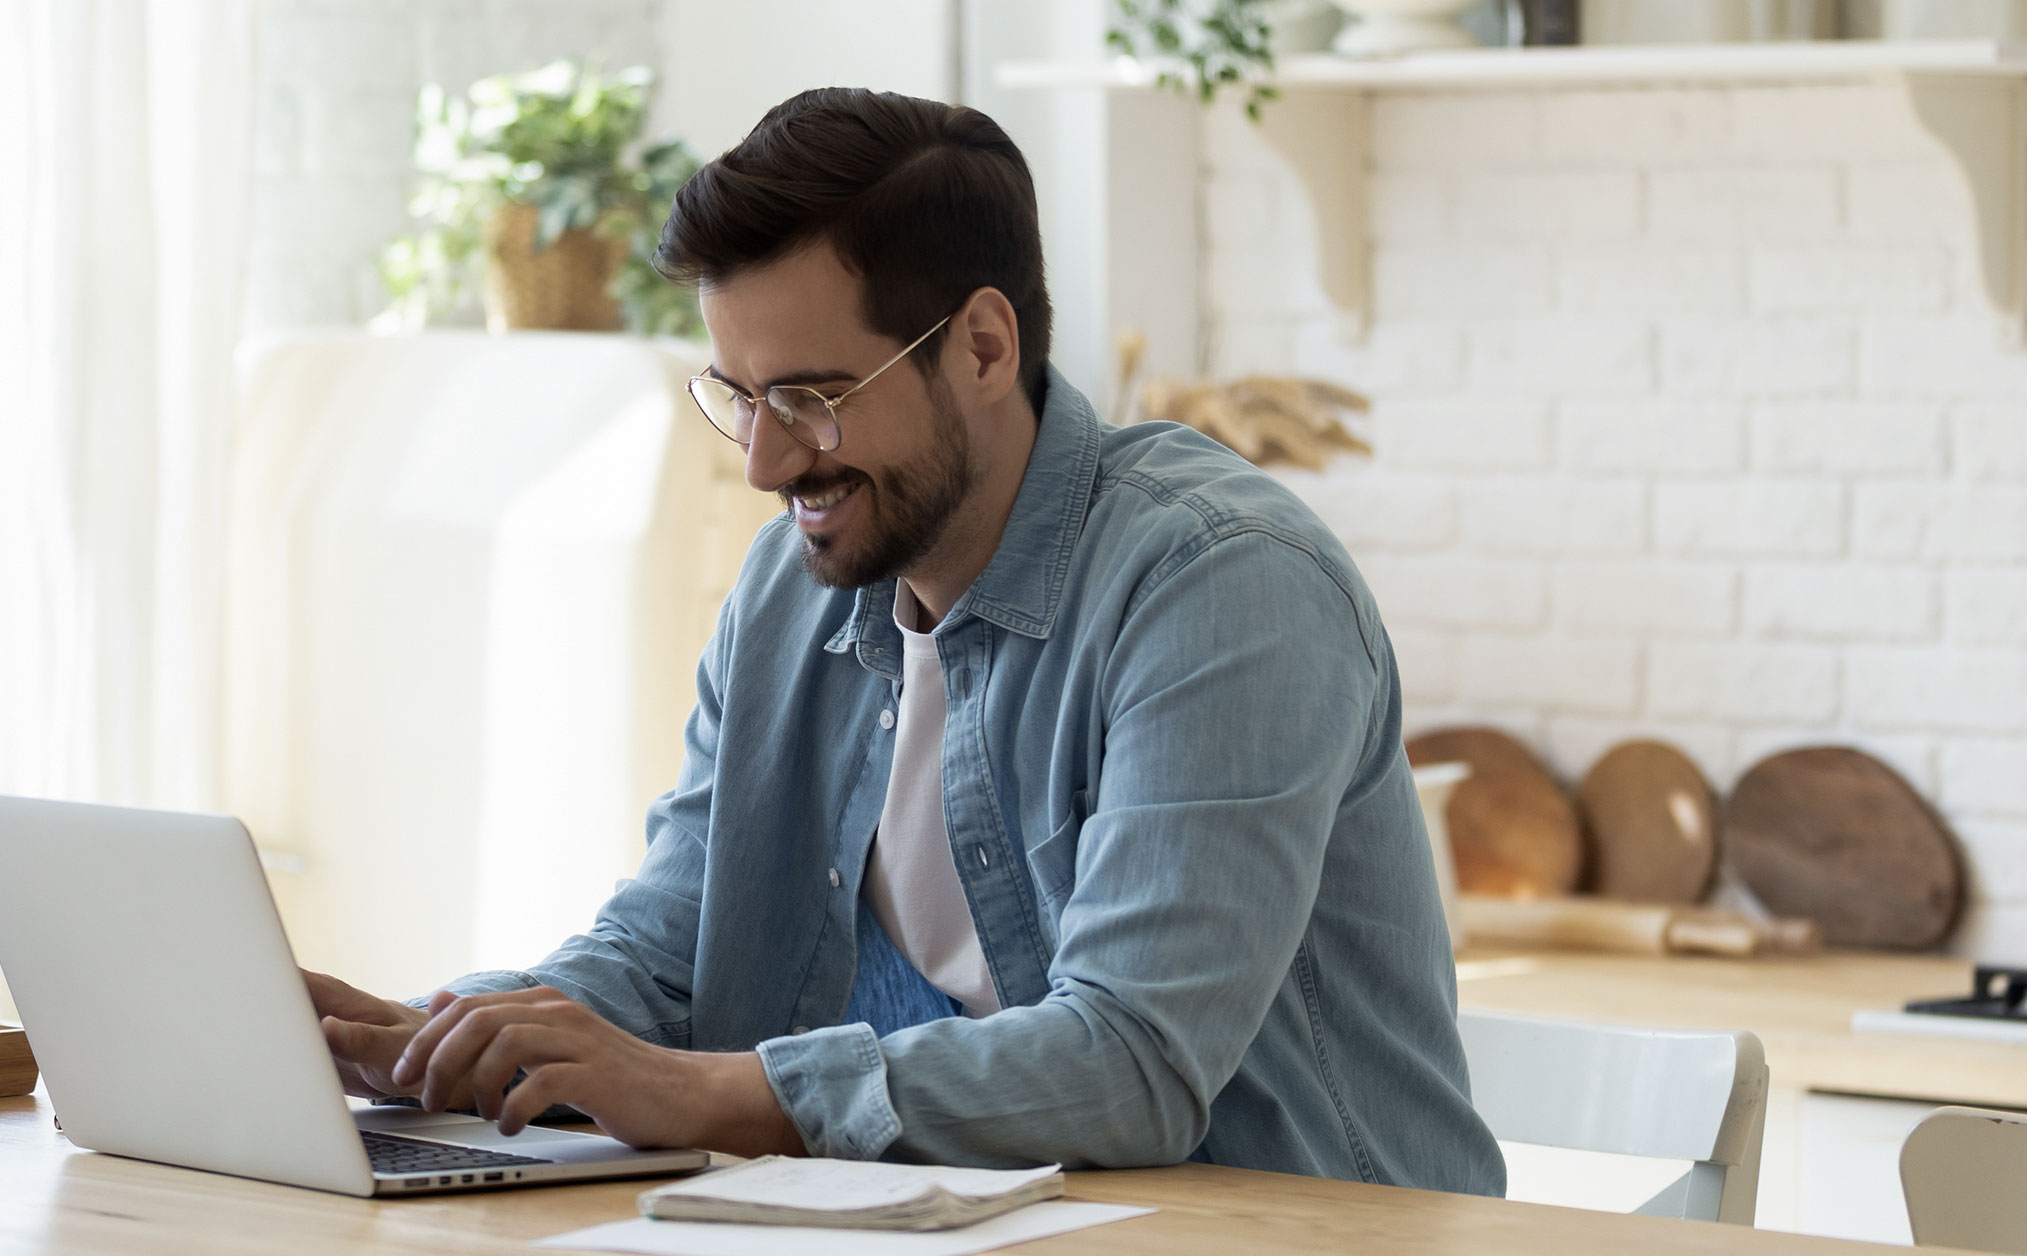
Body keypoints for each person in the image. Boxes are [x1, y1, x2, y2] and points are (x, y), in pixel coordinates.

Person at [309, 86, 1506, 1196]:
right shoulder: (793, 588)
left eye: (810, 400)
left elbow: (1134, 1059)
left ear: (982, 347)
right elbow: (677, 943)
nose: (765, 464)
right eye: (739, 396)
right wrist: (442, 1034)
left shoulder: (1222, 584)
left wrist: (695, 1091)